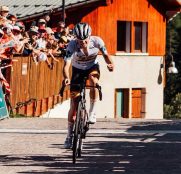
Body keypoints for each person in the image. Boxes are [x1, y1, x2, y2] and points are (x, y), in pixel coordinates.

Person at [63, 22, 114, 148]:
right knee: (74, 105)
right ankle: (69, 136)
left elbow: (106, 55)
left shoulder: (97, 41)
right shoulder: (72, 45)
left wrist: (110, 64)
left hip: (92, 67)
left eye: (85, 41)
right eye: (80, 41)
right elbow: (66, 66)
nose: (82, 44)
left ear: (89, 37)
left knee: (93, 81)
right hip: (77, 70)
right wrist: (66, 78)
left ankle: (92, 112)